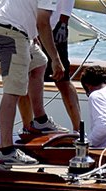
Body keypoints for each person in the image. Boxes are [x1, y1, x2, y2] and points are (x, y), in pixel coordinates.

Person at [0, 0, 72, 165]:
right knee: (12, 91)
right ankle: (6, 151)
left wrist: (32, 36)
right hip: (10, 33)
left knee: (39, 62)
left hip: (15, 29)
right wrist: (56, 59)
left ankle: (40, 121)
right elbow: (43, 22)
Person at [28, 0, 83, 131]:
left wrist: (63, 23)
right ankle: (29, 125)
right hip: (30, 28)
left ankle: (78, 130)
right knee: (27, 76)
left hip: (52, 27)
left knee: (62, 79)